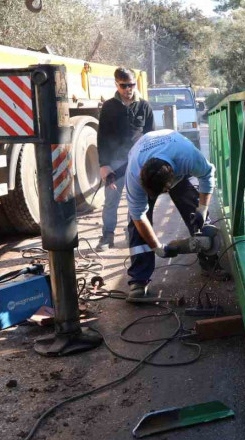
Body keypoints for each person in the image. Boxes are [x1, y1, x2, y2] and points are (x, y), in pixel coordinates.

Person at [124, 129, 215, 302]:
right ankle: (139, 280)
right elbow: (138, 216)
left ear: (171, 179)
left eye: (164, 190)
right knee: (136, 226)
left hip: (173, 155)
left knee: (192, 206)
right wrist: (157, 247)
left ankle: (210, 261)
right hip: (143, 154)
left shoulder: (187, 156)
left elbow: (207, 175)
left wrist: (202, 209)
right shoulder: (134, 174)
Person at [95, 67, 154, 252]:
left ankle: (133, 233)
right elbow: (102, 137)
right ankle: (107, 236)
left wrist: (149, 163)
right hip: (115, 164)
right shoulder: (108, 107)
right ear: (116, 85)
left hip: (137, 163)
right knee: (111, 200)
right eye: (124, 86)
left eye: (131, 85)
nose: (128, 89)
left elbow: (151, 136)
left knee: (135, 199)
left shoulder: (144, 106)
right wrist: (103, 165)